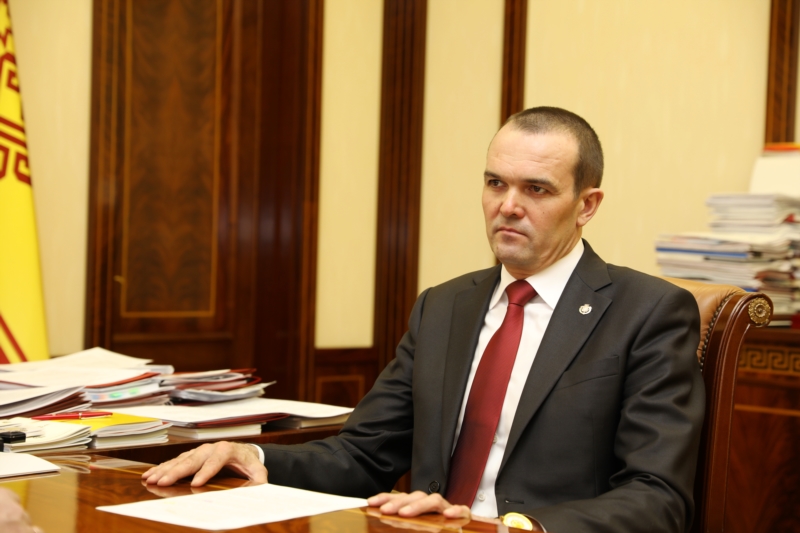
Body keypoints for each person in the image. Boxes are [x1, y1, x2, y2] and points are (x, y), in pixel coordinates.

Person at [143, 107, 704, 533]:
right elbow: (363, 455)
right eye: (495, 183)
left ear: (587, 205)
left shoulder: (647, 312)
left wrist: (514, 528)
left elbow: (658, 497)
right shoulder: (444, 306)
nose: (508, 206)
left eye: (536, 189)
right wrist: (253, 455)